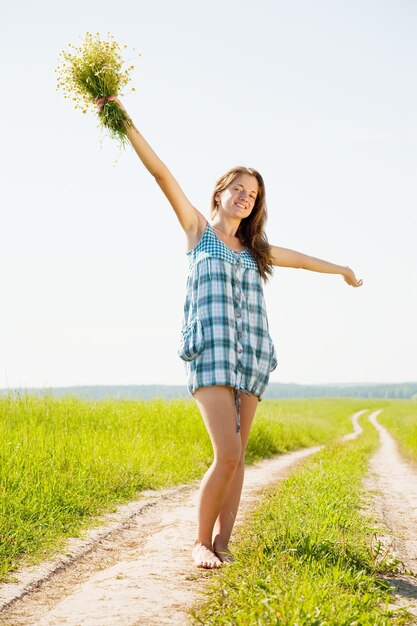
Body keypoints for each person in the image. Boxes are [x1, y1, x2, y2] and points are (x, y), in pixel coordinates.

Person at [102, 96, 363, 569]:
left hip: (253, 358)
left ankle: (224, 543)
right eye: (238, 188)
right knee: (225, 453)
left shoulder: (255, 250)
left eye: (253, 194)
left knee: (238, 459)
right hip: (211, 354)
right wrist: (123, 121)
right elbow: (162, 174)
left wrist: (342, 269)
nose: (246, 196)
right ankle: (200, 542)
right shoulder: (198, 231)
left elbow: (302, 260)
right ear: (220, 193)